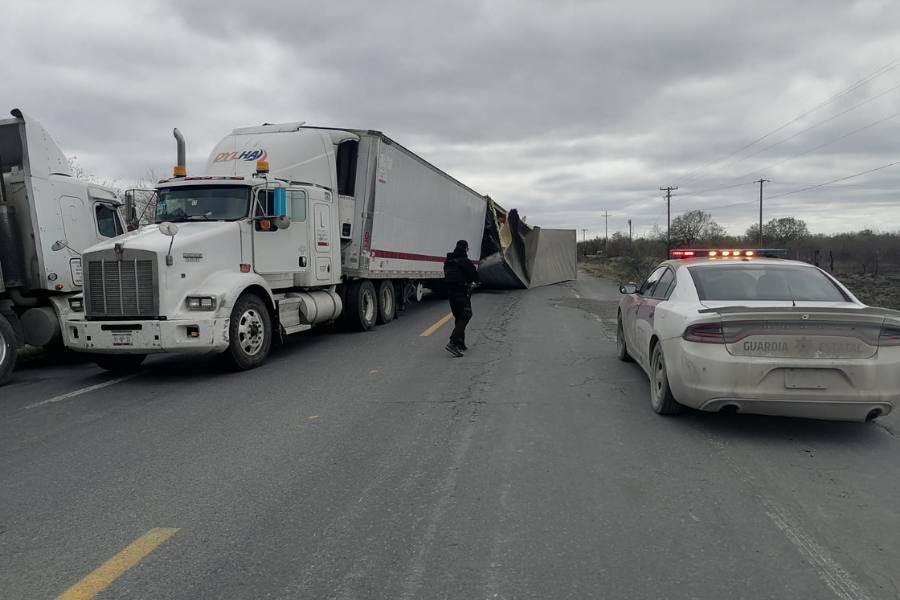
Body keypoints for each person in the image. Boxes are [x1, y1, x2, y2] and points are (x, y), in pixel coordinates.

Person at [443, 240, 479, 357]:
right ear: (465, 249)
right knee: (465, 315)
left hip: (451, 293)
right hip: (461, 292)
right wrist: (474, 282)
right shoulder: (464, 261)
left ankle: (460, 343)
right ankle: (453, 343)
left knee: (459, 316)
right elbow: (475, 276)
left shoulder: (448, 261)